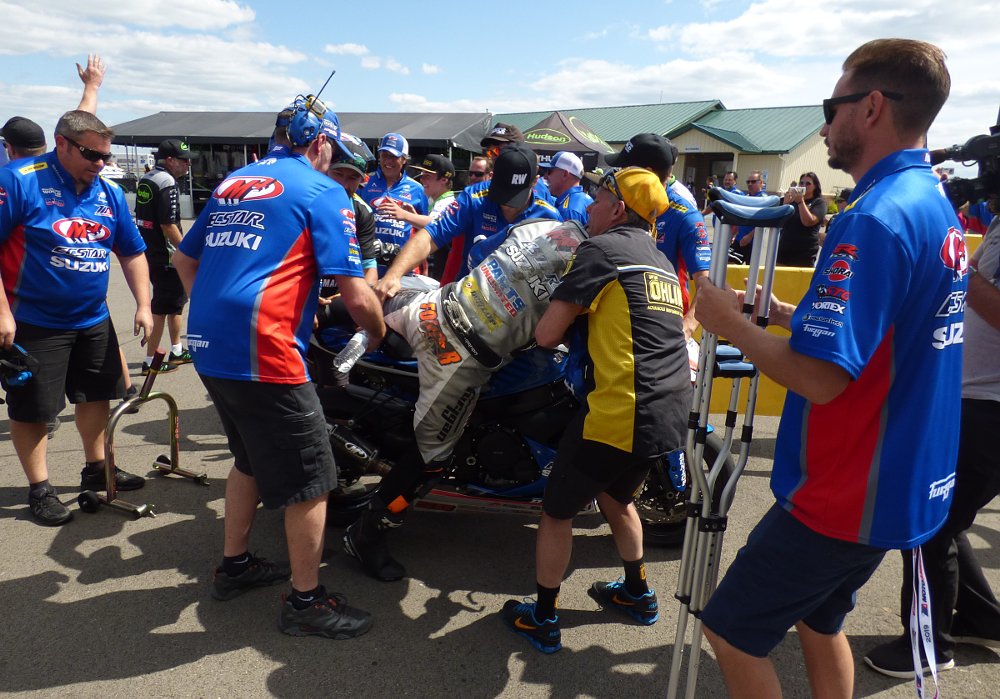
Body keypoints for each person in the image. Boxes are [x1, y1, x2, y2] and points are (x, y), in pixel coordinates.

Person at [693, 38, 964, 697]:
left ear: (871, 107)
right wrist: (786, 311)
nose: (823, 125)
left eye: (831, 104)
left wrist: (726, 323)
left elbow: (821, 378)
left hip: (847, 493)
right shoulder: (927, 200)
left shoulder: (872, 217)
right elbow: (889, 328)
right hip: (896, 486)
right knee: (820, 622)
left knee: (730, 630)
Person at [172, 95, 385, 639]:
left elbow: (182, 258)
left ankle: (235, 565)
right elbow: (357, 295)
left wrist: (220, 309)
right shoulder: (323, 190)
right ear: (320, 143)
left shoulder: (233, 182)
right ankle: (306, 601)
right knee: (313, 481)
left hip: (208, 343)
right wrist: (378, 332)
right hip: (263, 347)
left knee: (249, 459)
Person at [499, 167, 690, 654]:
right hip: (667, 413)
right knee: (616, 498)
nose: (589, 206)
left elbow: (545, 334)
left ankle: (542, 616)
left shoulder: (601, 251)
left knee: (556, 511)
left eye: (599, 198)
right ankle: (637, 593)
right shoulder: (660, 260)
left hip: (620, 410)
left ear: (619, 208)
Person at [341, 216, 588, 582]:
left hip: (432, 307)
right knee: (431, 461)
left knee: (395, 299)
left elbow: (479, 253)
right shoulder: (594, 266)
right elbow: (552, 333)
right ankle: (366, 534)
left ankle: (329, 308)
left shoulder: (541, 223)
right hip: (457, 361)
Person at [864, 202, 1000, 677]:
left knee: (932, 524)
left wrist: (961, 271)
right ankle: (980, 617)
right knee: (944, 515)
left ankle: (930, 646)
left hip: (991, 405)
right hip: (969, 396)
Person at [0, 110, 152, 526]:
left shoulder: (107, 192)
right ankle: (40, 488)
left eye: (105, 155)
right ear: (61, 143)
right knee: (34, 410)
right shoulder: (19, 179)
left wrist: (143, 304)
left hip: (92, 317)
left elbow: (132, 250)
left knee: (96, 395)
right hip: (33, 319)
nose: (100, 163)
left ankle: (96, 467)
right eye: (91, 154)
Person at [374, 144, 562, 300]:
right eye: (503, 193)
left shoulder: (549, 218)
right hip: (465, 301)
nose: (507, 205)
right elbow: (432, 234)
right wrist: (394, 274)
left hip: (514, 309)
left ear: (535, 182)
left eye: (515, 198)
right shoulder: (475, 197)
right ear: (493, 178)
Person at [604, 133, 711, 339]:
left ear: (647, 173)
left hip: (662, 328)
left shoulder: (684, 215)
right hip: (618, 319)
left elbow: (707, 285)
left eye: (625, 169)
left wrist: (686, 329)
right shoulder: (617, 203)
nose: (618, 173)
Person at [135, 139, 195, 375]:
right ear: (170, 160)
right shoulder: (167, 182)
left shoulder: (148, 178)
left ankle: (177, 350)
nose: (188, 165)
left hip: (150, 252)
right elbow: (168, 225)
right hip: (167, 257)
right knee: (162, 307)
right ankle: (150, 361)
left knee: (175, 304)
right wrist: (186, 252)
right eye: (184, 160)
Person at [2, 54, 106, 164]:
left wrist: (91, 87)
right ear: (46, 145)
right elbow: (81, 125)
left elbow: (81, 125)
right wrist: (92, 86)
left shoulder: (7, 177)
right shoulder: (62, 166)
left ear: (11, 149)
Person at [358, 132, 429, 271]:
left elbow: (424, 231)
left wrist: (424, 266)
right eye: (384, 155)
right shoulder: (364, 183)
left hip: (403, 266)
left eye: (393, 156)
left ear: (404, 159)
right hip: (368, 264)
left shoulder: (417, 189)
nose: (388, 161)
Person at [325, 132, 379, 284]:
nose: (344, 184)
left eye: (352, 178)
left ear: (361, 180)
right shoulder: (305, 202)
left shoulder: (363, 212)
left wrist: (364, 292)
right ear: (325, 170)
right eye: (338, 174)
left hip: (342, 295)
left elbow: (369, 268)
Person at [776, 171, 827, 266]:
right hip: (784, 248)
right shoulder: (792, 200)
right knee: (780, 278)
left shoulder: (819, 203)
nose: (804, 186)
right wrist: (785, 204)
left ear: (815, 186)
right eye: (802, 183)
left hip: (804, 252)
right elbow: (779, 222)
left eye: (808, 183)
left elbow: (808, 221)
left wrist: (800, 202)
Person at [545, 151, 593, 225]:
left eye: (549, 171)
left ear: (565, 174)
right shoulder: (583, 198)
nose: (545, 177)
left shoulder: (568, 211)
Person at [732, 170, 768, 258]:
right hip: (739, 239)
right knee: (730, 264)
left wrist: (749, 237)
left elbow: (764, 222)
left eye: (753, 182)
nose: (750, 184)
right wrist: (733, 235)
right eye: (748, 182)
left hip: (753, 242)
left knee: (750, 269)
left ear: (761, 183)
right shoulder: (746, 198)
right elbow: (740, 218)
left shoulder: (764, 199)